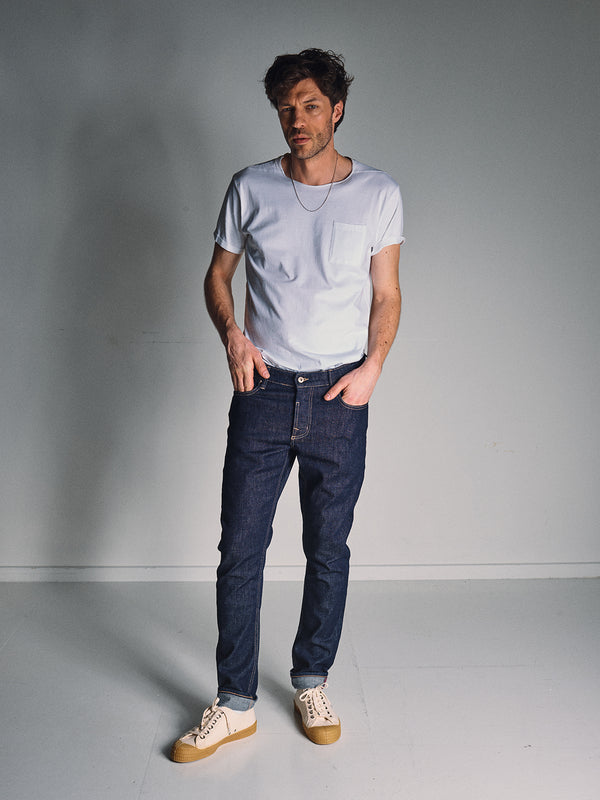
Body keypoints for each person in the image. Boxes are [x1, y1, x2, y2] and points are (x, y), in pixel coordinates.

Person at [171, 48, 404, 763]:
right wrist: (233, 338)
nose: (295, 119)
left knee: (326, 547)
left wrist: (373, 368)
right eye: (284, 107)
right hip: (263, 387)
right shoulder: (250, 187)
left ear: (336, 109)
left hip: (340, 392)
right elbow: (217, 276)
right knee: (240, 547)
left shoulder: (378, 194)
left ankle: (311, 678)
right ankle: (236, 700)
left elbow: (387, 293)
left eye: (308, 105)